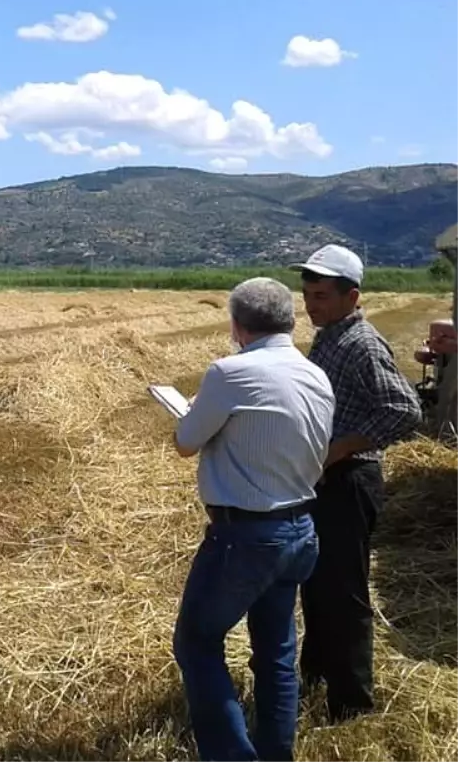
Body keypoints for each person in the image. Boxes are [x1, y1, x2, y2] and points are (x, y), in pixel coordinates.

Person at [171, 277, 335, 762]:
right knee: (276, 652)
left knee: (197, 643)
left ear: (237, 325)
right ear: (289, 320)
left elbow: (185, 442)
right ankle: (276, 751)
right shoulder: (314, 374)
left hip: (244, 535)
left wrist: (196, 411)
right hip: (301, 529)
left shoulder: (230, 372)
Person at [291, 243, 423, 722]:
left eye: (321, 295)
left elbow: (405, 410)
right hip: (329, 478)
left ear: (353, 297)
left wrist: (341, 446)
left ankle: (351, 708)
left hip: (350, 480)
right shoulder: (331, 336)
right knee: (318, 585)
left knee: (344, 594)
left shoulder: (362, 344)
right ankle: (316, 678)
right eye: (307, 294)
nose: (311, 304)